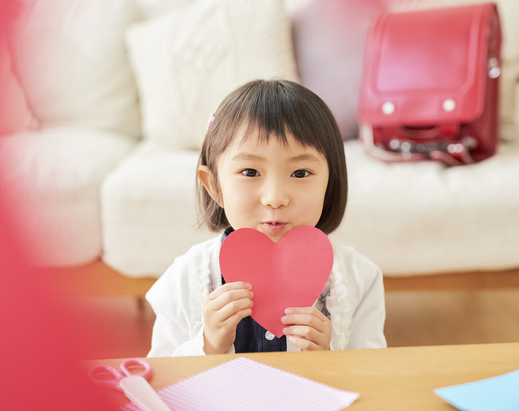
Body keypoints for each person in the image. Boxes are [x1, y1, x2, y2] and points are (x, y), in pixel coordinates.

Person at [146, 79, 386, 356]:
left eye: (300, 173)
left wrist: (328, 357)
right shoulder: (184, 280)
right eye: (250, 172)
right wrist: (209, 345)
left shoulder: (358, 280)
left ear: (330, 183)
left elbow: (373, 372)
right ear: (214, 186)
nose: (275, 197)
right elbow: (161, 377)